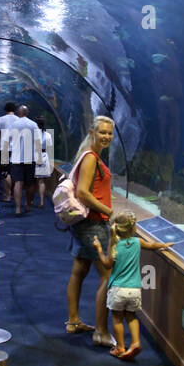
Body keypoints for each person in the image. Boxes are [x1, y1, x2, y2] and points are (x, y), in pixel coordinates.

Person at [65, 115, 117, 348]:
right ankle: (101, 332)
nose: (106, 136)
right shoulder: (90, 158)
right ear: (92, 132)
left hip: (83, 225)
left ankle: (74, 321)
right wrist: (109, 211)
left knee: (79, 270)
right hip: (93, 224)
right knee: (108, 276)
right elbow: (84, 193)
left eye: (109, 133)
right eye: (102, 132)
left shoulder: (88, 155)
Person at [93, 211, 174, 360]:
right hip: (134, 289)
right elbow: (152, 246)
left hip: (117, 289)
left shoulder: (115, 246)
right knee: (132, 316)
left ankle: (120, 348)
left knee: (117, 318)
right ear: (132, 229)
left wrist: (99, 249)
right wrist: (164, 245)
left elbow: (106, 265)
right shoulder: (138, 242)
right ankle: (136, 343)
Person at [8, 104, 40, 215]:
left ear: (18, 113)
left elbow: (8, 139)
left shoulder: (14, 125)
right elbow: (38, 141)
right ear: (27, 113)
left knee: (18, 182)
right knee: (30, 184)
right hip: (30, 158)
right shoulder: (33, 125)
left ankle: (17, 208)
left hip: (16, 158)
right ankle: (28, 205)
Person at [0, 102, 18, 201]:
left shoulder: (1, 119)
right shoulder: (18, 119)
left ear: (5, 109)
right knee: (13, 172)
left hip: (4, 148)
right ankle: (13, 194)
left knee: (5, 173)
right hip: (16, 149)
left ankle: (7, 195)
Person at [33, 116, 54, 208]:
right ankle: (41, 201)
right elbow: (49, 147)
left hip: (34, 156)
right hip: (44, 155)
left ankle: (32, 200)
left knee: (33, 181)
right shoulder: (48, 135)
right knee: (41, 181)